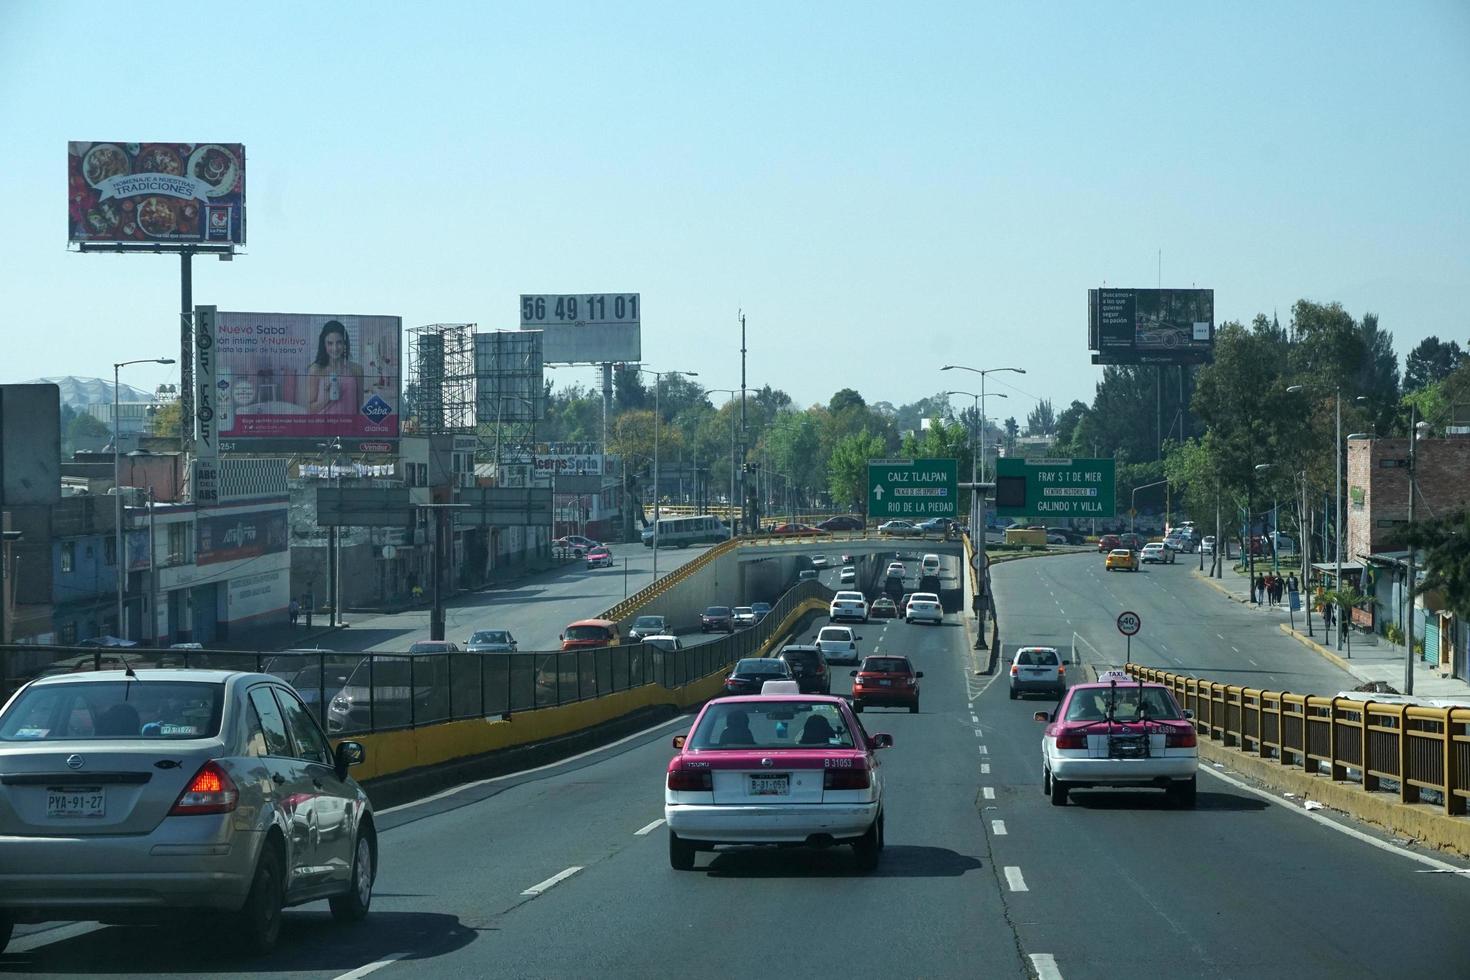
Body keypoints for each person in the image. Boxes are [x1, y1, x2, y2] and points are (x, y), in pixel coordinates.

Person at [306, 320, 364, 415]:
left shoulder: (357, 369)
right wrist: (327, 397)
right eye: (330, 343)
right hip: (323, 427)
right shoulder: (315, 369)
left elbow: (360, 407)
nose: (335, 348)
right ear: (324, 345)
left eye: (339, 342)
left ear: (345, 343)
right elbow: (310, 410)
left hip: (349, 427)